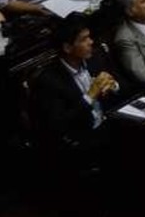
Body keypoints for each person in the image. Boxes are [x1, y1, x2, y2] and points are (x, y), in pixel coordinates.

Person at [33, 14, 121, 150]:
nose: (91, 42)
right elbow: (60, 124)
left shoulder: (95, 58)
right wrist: (90, 96)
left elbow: (122, 86)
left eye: (89, 37)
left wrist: (113, 85)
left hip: (111, 123)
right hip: (83, 139)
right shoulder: (49, 81)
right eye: (84, 39)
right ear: (67, 48)